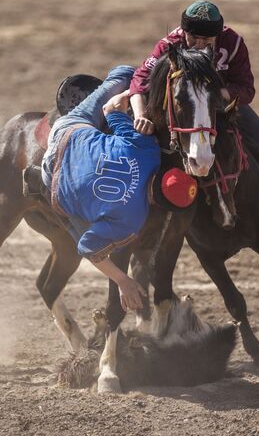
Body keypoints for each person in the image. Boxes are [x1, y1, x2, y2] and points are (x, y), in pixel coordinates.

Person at [40, 65, 197, 312]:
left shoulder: (147, 149)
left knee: (125, 72)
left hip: (65, 133)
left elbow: (111, 107)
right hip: (52, 185)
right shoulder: (133, 221)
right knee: (78, 227)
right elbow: (89, 248)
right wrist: (123, 281)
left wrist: (137, 105)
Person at [130, 0, 259, 166]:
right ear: (183, 31)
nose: (199, 45)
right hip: (181, 103)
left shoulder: (233, 43)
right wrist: (140, 115)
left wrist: (214, 95)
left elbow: (246, 88)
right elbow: (140, 78)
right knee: (139, 145)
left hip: (219, 102)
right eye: (193, 38)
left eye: (207, 39)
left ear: (218, 35)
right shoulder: (170, 44)